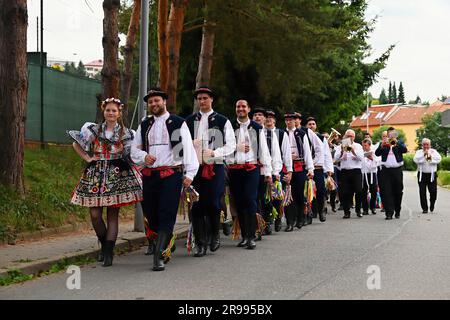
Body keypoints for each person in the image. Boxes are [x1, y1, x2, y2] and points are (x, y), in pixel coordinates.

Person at [69, 98, 143, 267]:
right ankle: (104, 244)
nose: (111, 113)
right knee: (95, 215)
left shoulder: (126, 133)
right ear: (104, 111)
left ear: (119, 113)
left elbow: (133, 154)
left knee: (112, 215)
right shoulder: (92, 130)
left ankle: (108, 253)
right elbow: (76, 143)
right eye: (108, 110)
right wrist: (88, 157)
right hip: (95, 173)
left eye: (114, 111)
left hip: (116, 175)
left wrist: (123, 151)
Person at [131, 88, 199, 271]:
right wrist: (144, 156)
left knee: (166, 213)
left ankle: (159, 255)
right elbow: (134, 150)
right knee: (151, 215)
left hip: (171, 174)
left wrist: (190, 174)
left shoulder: (177, 123)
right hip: (150, 176)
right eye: (151, 102)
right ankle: (167, 242)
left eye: (157, 101)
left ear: (164, 102)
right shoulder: (144, 124)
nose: (154, 104)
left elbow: (187, 149)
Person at [185, 87, 236, 257]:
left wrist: (215, 153)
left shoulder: (222, 120)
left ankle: (215, 234)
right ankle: (200, 243)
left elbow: (231, 145)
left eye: (205, 98)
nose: (202, 101)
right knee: (196, 205)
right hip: (195, 168)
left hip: (215, 166)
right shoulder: (190, 120)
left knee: (213, 202)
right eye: (199, 98)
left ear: (211, 99)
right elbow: (182, 144)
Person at [227, 100, 272, 249]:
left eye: (243, 106)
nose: (240, 109)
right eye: (238, 106)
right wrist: (236, 147)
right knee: (239, 202)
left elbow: (263, 151)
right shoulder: (229, 126)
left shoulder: (257, 128)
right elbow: (223, 147)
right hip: (234, 169)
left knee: (250, 200)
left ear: (248, 109)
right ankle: (244, 235)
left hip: (252, 169)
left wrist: (267, 172)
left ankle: (251, 236)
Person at [252, 107, 282, 237]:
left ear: (265, 119)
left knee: (266, 200)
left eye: (260, 115)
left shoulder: (270, 134)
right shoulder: (248, 131)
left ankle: (268, 220)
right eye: (255, 115)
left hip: (265, 171)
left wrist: (274, 172)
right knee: (254, 199)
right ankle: (257, 225)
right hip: (251, 170)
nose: (258, 117)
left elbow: (275, 155)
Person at [283, 112, 314, 231]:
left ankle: (300, 218)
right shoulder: (282, 133)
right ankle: (289, 222)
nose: (289, 122)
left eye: (291, 119)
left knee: (300, 194)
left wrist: (310, 169)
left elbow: (307, 152)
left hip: (300, 167)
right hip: (286, 168)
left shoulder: (301, 134)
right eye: (287, 120)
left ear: (295, 121)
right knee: (288, 195)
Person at [265, 110, 292, 232]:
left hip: (277, 168)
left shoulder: (281, 133)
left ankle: (279, 217)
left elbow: (286, 153)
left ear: (275, 120)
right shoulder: (260, 132)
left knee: (276, 197)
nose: (269, 119)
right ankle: (268, 219)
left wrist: (289, 170)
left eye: (271, 117)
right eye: (267, 117)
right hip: (263, 168)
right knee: (265, 196)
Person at [375, 127, 407, 220]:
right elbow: (377, 153)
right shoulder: (383, 143)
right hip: (385, 171)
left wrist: (396, 143)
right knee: (385, 191)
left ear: (395, 134)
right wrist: (382, 146)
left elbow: (404, 150)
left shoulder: (399, 142)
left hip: (397, 170)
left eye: (393, 134)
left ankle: (397, 210)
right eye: (389, 134)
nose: (391, 135)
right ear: (388, 135)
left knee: (398, 191)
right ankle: (389, 212)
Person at [306, 117, 333, 222]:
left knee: (321, 191)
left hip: (318, 168)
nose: (311, 125)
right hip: (308, 168)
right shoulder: (304, 136)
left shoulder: (322, 138)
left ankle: (321, 210)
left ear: (316, 126)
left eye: (313, 123)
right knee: (308, 191)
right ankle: (309, 213)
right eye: (309, 124)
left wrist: (329, 169)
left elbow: (326, 154)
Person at [334, 129, 364, 219]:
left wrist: (353, 151)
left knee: (358, 191)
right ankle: (347, 212)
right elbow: (336, 159)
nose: (349, 137)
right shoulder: (340, 146)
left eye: (351, 136)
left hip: (356, 171)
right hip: (345, 171)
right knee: (345, 192)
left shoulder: (358, 146)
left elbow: (361, 157)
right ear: (345, 136)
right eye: (348, 136)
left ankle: (358, 210)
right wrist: (342, 151)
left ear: (354, 137)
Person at [413, 138, 442, 213]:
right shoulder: (419, 152)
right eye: (424, 144)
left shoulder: (434, 151)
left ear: (430, 145)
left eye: (427, 144)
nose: (426, 146)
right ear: (422, 145)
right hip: (422, 175)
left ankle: (432, 203)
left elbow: (438, 159)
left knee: (433, 192)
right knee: (422, 192)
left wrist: (429, 156)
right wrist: (424, 155)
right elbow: (416, 160)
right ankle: (424, 208)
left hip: (432, 175)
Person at [360, 138, 379, 215]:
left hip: (372, 174)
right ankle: (365, 209)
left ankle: (373, 207)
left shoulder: (374, 152)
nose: (364, 147)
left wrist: (372, 159)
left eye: (365, 145)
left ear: (369, 145)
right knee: (363, 191)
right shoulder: (361, 152)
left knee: (374, 191)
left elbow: (377, 162)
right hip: (364, 174)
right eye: (363, 145)